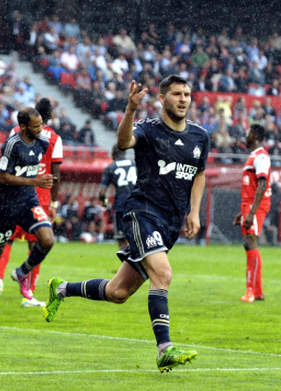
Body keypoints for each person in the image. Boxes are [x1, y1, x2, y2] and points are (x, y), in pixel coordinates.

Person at [43, 76, 209, 373]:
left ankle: (62, 289)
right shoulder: (148, 129)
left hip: (170, 224)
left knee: (118, 293)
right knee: (164, 273)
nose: (183, 99)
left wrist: (194, 211)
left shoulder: (200, 136)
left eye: (187, 93)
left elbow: (199, 173)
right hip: (142, 213)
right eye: (176, 94)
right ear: (162, 99)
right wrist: (130, 109)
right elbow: (122, 142)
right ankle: (164, 348)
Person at [0, 107, 56, 316]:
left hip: (29, 202)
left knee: (47, 240)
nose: (41, 129)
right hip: (5, 208)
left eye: (41, 125)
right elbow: (3, 177)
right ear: (23, 126)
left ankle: (22, 272)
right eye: (36, 126)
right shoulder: (11, 145)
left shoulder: (43, 143)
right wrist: (35, 181)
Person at [233, 124, 272, 303]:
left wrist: (251, 213)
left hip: (255, 206)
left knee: (250, 242)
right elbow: (253, 186)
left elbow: (262, 185)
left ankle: (251, 291)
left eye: (248, 133)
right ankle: (258, 291)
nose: (245, 135)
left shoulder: (261, 156)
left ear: (255, 135)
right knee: (248, 244)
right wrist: (243, 213)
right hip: (248, 207)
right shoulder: (253, 156)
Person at [99, 144, 137, 249]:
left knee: (121, 239)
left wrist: (104, 202)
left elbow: (102, 193)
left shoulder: (110, 167)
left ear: (113, 154)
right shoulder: (134, 164)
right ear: (124, 152)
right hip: (136, 204)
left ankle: (128, 263)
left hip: (121, 205)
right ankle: (139, 262)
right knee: (137, 237)